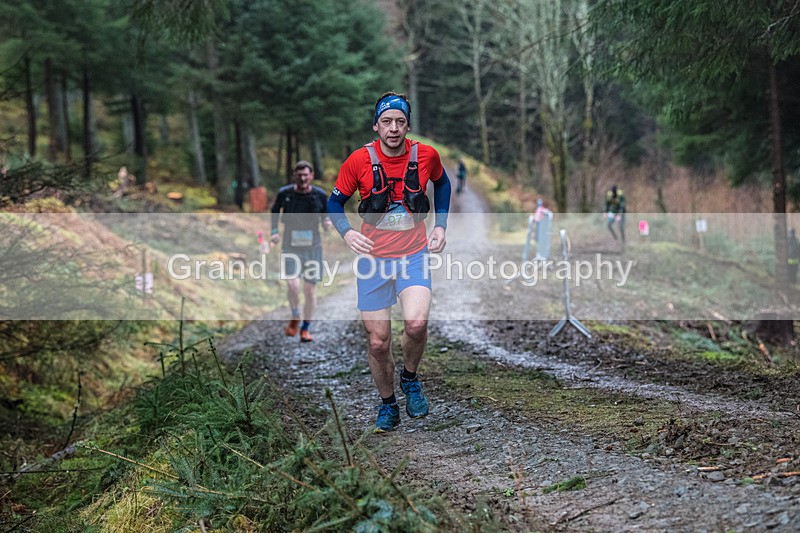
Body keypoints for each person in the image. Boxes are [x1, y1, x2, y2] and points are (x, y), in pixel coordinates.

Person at [327, 91, 451, 433]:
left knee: (416, 323)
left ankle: (409, 377)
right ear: (376, 126)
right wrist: (347, 234)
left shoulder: (426, 155)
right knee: (378, 341)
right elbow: (334, 203)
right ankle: (388, 404)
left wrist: (440, 225)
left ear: (407, 125)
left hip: (413, 254)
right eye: (386, 122)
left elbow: (442, 183)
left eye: (400, 121)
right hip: (373, 260)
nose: (393, 128)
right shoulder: (358, 161)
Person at [270, 160, 332, 342]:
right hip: (290, 246)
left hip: (313, 247)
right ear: (294, 176)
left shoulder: (320, 195)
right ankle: (295, 314)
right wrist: (274, 232)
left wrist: (327, 223)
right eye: (300, 175)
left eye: (306, 175)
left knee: (310, 291)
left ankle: (305, 328)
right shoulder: (285, 193)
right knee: (293, 285)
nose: (303, 178)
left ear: (311, 176)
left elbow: (326, 215)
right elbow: (275, 211)